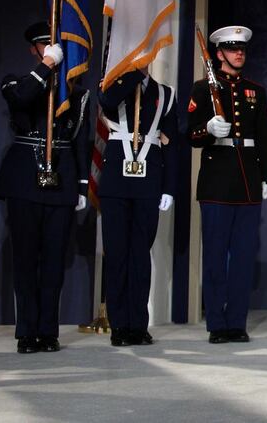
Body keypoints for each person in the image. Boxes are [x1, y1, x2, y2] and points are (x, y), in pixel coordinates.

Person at [0, 21, 90, 353]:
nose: (49, 50)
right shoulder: (14, 82)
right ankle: (26, 331)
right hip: (24, 179)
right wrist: (46, 67)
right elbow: (22, 99)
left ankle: (48, 331)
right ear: (34, 49)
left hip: (60, 178)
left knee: (52, 260)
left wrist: (79, 186)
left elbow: (79, 142)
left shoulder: (76, 95)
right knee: (25, 258)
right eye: (42, 46)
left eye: (53, 47)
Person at [187, 25, 267, 344]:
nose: (240, 53)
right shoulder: (202, 89)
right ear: (219, 53)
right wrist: (208, 129)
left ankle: (237, 322)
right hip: (217, 183)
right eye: (233, 49)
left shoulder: (255, 90)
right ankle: (217, 324)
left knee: (242, 257)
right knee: (214, 256)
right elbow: (191, 136)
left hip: (248, 182)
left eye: (242, 49)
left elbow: (264, 137)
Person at [96, 66, 177, 347]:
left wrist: (169, 187)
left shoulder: (166, 94)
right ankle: (119, 326)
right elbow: (107, 103)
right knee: (117, 254)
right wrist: (131, 74)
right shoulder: (111, 86)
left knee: (141, 255)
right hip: (117, 180)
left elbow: (171, 143)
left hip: (148, 180)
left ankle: (138, 325)